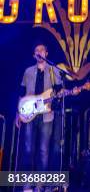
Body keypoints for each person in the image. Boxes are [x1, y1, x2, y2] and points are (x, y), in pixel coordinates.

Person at [17, 44, 62, 175]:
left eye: (42, 50)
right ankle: (27, 185)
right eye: (36, 50)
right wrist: (18, 113)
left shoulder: (54, 70)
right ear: (33, 55)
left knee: (43, 151)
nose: (39, 52)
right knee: (28, 149)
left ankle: (40, 185)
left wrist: (67, 93)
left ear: (46, 53)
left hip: (47, 115)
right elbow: (22, 92)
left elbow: (59, 91)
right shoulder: (28, 71)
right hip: (29, 114)